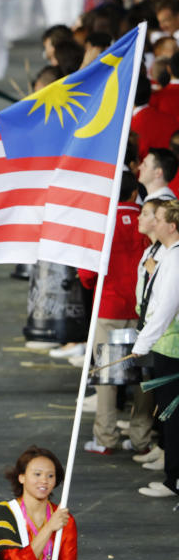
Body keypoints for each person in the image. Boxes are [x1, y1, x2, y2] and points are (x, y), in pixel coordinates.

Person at [79, 173, 154, 456]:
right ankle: (141, 438)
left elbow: (86, 272)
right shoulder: (149, 220)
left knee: (107, 374)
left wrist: (96, 286)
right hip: (143, 311)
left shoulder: (102, 223)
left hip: (108, 308)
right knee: (144, 375)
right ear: (135, 192)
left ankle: (106, 437)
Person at [133, 200, 179, 498]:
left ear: (172, 226)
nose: (154, 223)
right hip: (167, 346)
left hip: (172, 349)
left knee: (172, 416)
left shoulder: (175, 259)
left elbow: (165, 309)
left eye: (159, 218)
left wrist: (142, 344)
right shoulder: (169, 256)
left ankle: (173, 480)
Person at [132, 197, 169, 471]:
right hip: (152, 330)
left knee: (167, 401)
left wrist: (144, 341)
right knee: (160, 396)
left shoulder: (169, 255)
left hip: (166, 336)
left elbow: (165, 303)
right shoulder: (153, 249)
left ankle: (170, 459)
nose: (142, 219)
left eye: (148, 215)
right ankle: (164, 450)